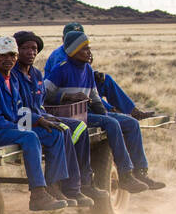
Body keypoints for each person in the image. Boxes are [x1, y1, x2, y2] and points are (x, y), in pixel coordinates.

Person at [43, 31, 164, 192]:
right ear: (73, 50)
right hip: (71, 114)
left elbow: (94, 94)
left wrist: (103, 112)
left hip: (87, 112)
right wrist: (66, 96)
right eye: (84, 49)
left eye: (89, 48)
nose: (89, 53)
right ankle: (125, 174)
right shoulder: (61, 70)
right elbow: (44, 93)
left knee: (131, 123)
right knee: (111, 123)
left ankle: (140, 171)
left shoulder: (86, 69)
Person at [0, 35, 69, 211]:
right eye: (3, 55)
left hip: (6, 129)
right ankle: (37, 195)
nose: (9, 59)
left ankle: (52, 186)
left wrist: (38, 120)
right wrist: (22, 128)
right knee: (29, 137)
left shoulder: (11, 79)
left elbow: (18, 110)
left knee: (55, 134)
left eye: (12, 55)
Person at [11, 30, 105, 207]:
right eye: (25, 48)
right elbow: (16, 108)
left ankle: (76, 186)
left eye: (34, 48)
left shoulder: (37, 75)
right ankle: (55, 186)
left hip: (38, 116)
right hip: (22, 121)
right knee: (57, 133)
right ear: (16, 51)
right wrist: (41, 118)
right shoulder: (13, 75)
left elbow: (40, 102)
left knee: (77, 127)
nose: (31, 52)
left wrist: (45, 116)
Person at [46, 23, 156, 119]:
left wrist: (94, 74)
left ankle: (132, 111)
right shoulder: (60, 57)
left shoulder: (80, 52)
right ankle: (110, 111)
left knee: (105, 80)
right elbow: (70, 81)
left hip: (79, 88)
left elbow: (81, 75)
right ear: (64, 39)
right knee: (89, 94)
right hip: (64, 95)